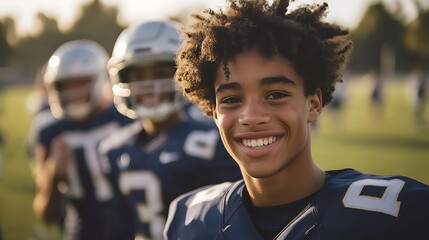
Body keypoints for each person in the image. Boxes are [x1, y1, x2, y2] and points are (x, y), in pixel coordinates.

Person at [164, 0, 429, 239]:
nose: (252, 117)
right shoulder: (189, 219)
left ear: (313, 104)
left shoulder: (401, 215)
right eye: (232, 99)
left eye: (276, 94)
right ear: (214, 112)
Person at [98, 19, 242, 240]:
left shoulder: (211, 142)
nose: (148, 85)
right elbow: (118, 228)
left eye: (158, 73)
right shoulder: (114, 150)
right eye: (138, 76)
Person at [31, 40, 134, 240]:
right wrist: (54, 173)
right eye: (66, 85)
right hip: (80, 232)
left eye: (81, 82)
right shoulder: (51, 131)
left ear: (98, 80)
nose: (73, 91)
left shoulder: (124, 117)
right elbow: (46, 213)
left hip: (128, 230)